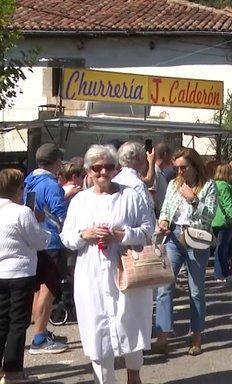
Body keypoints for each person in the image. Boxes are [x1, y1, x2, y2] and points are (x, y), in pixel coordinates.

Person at [59, 145, 155, 384]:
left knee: (130, 322)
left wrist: (123, 235)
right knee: (97, 329)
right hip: (91, 273)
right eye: (97, 167)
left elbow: (147, 229)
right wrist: (85, 234)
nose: (103, 172)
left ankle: (134, 374)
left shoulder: (130, 195)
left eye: (108, 167)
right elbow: (66, 237)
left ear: (116, 169)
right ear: (88, 171)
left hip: (125, 270)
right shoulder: (80, 201)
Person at [152, 148, 218, 356]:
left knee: (196, 290)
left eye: (183, 167)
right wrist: (163, 221)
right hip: (174, 236)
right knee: (164, 286)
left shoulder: (208, 186)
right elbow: (165, 209)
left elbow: (209, 217)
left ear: (194, 166)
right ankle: (163, 336)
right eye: (177, 168)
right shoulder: (173, 184)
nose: (179, 172)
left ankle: (196, 337)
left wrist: (193, 199)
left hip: (197, 238)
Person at [0, 169, 51, 383]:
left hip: (0, 271)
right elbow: (39, 241)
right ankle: (12, 370)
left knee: (1, 321)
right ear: (17, 189)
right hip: (20, 272)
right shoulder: (21, 212)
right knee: (18, 322)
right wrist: (39, 221)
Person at [23, 143, 69, 354]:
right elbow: (61, 217)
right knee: (48, 290)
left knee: (38, 289)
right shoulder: (51, 185)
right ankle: (39, 339)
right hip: (50, 242)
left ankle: (40, 331)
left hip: (34, 242)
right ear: (57, 162)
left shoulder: (28, 181)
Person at [212, 164, 232, 283]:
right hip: (224, 221)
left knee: (220, 249)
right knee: (222, 249)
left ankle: (220, 273)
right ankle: (222, 274)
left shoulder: (214, 185)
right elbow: (228, 203)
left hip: (215, 220)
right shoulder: (224, 186)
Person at [113, 141, 155, 215]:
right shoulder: (138, 184)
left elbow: (149, 181)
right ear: (138, 159)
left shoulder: (115, 180)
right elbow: (146, 213)